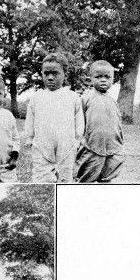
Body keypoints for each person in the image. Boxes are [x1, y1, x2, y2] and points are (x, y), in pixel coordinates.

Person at [24, 53, 84, 183]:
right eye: (46, 73)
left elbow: (79, 122)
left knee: (65, 179)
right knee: (41, 179)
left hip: (66, 147)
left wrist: (78, 141)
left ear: (65, 75)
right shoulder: (36, 98)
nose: (50, 77)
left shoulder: (73, 98)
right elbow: (30, 121)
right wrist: (29, 138)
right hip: (42, 147)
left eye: (55, 73)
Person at [75, 60, 126, 182]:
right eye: (98, 77)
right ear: (90, 79)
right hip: (91, 147)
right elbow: (78, 122)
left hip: (112, 147)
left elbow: (118, 123)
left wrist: (120, 143)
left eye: (107, 77)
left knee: (107, 178)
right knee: (86, 179)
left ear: (113, 79)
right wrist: (79, 140)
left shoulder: (112, 100)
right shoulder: (86, 99)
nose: (103, 80)